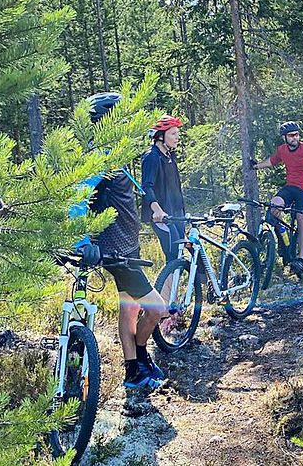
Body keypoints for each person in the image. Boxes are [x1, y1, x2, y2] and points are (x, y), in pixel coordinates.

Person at [73, 92, 166, 390]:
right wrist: (84, 243)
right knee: (157, 309)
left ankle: (133, 371)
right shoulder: (100, 157)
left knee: (130, 308)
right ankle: (140, 356)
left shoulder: (116, 155)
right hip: (115, 252)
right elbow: (77, 200)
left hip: (128, 246)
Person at [251, 121, 303, 276]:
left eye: (296, 134)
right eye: (291, 135)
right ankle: (283, 242)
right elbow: (272, 161)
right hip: (290, 188)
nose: (295, 138)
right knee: (274, 206)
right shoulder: (282, 150)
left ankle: (301, 259)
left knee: (302, 219)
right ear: (284, 138)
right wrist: (255, 166)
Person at [141, 114, 185, 264]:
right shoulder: (151, 157)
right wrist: (157, 210)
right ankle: (165, 288)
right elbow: (146, 187)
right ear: (160, 136)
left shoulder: (170, 155)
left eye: (177, 134)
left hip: (177, 212)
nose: (177, 137)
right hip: (162, 215)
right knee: (172, 257)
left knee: (180, 255)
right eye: (173, 134)